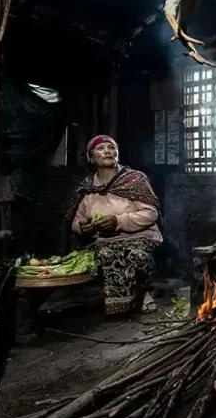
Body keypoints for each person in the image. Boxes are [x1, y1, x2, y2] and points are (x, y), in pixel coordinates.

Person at [69, 135, 162, 316]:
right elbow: (74, 221)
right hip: (102, 241)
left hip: (139, 237)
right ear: (91, 157)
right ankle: (122, 303)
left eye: (112, 148)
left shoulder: (134, 180)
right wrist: (82, 227)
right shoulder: (86, 188)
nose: (107, 151)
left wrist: (118, 221)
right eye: (101, 148)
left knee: (135, 254)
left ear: (118, 154)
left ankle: (139, 295)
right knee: (105, 252)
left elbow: (151, 214)